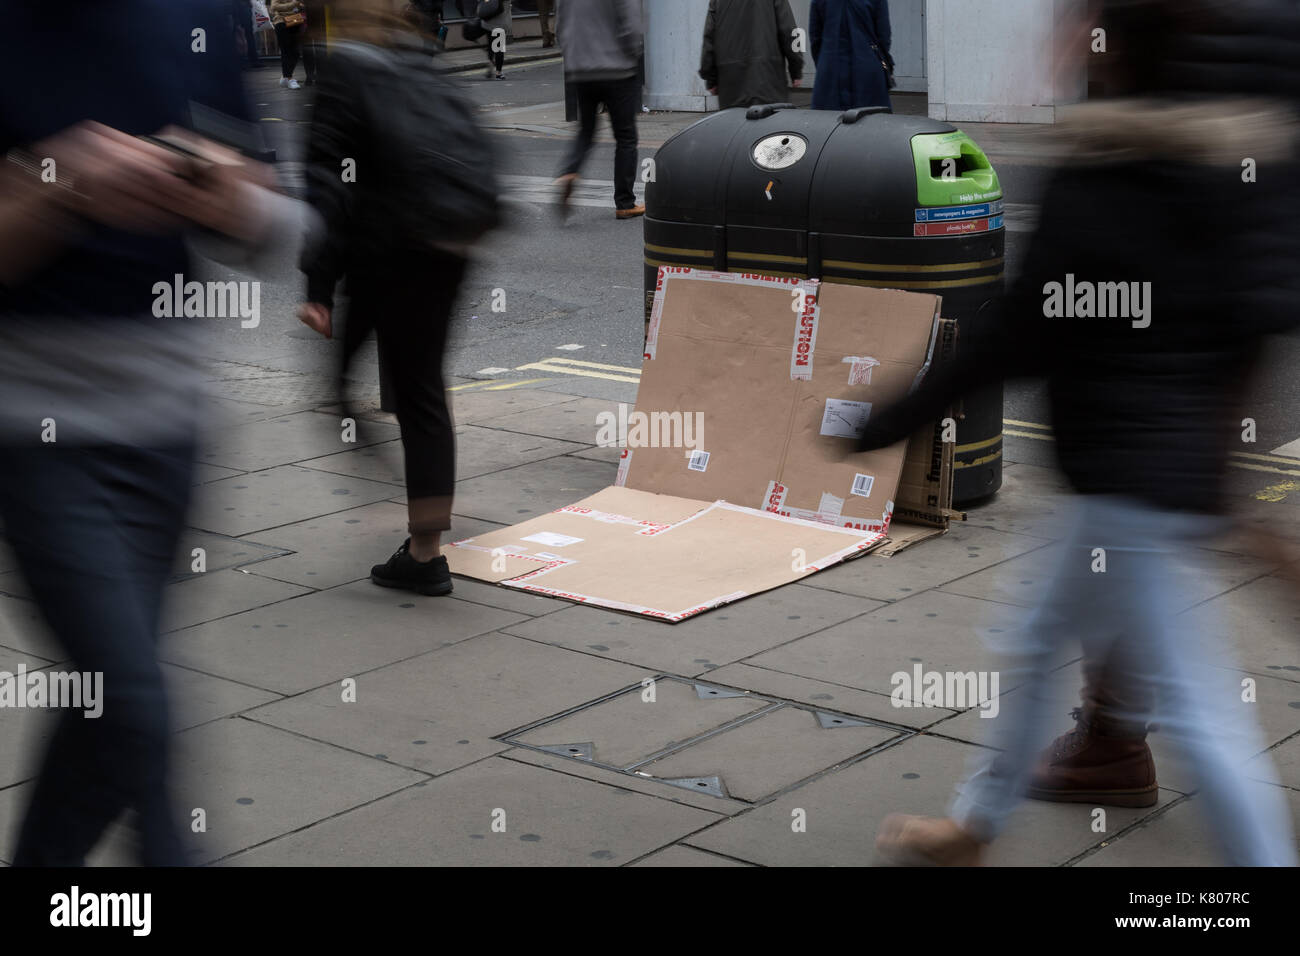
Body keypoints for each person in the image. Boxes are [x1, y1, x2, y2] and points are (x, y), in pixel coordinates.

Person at [869, 0, 1300, 867]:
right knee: (1034, 639)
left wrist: (885, 420)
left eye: (1079, 28)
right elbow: (1254, 313)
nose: (1062, 40)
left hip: (1126, 489)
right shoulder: (1223, 166)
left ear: (1107, 52)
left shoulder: (1101, 172)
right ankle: (973, 826)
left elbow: (1012, 337)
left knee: (1201, 710)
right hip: (1139, 479)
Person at [0, 0, 285, 865]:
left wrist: (220, 189)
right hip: (34, 424)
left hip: (171, 420)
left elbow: (275, 221)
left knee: (114, 712)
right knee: (132, 707)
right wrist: (59, 184)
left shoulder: (204, 12)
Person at [297, 0, 498, 596]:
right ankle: (424, 544)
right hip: (449, 242)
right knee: (423, 393)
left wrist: (316, 286)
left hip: (387, 248)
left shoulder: (342, 70)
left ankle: (422, 542)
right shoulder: (420, 60)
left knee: (349, 389)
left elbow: (329, 183)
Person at [553, 0, 644, 219]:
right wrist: (634, 53)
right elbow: (631, 23)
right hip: (616, 68)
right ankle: (625, 203)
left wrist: (573, 57)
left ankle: (569, 172)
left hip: (581, 69)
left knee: (586, 131)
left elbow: (560, 26)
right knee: (625, 136)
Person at [700, 0, 803, 109]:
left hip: (731, 83)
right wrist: (796, 68)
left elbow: (709, 38)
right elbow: (789, 31)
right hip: (767, 80)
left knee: (735, 124)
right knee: (769, 123)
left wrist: (710, 78)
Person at [809, 0, 892, 111]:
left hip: (830, 69)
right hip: (867, 69)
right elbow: (884, 37)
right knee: (872, 121)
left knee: (826, 123)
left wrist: (823, 62)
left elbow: (815, 38)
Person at [270, 0, 316, 88]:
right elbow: (274, 7)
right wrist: (295, 3)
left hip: (295, 21)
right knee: (286, 51)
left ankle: (286, 76)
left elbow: (299, 6)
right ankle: (289, 78)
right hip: (282, 22)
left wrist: (301, 5)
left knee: (296, 52)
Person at [482, 0, 512, 79]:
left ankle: (490, 63)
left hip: (487, 23)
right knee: (499, 48)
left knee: (491, 45)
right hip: (500, 24)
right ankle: (498, 72)